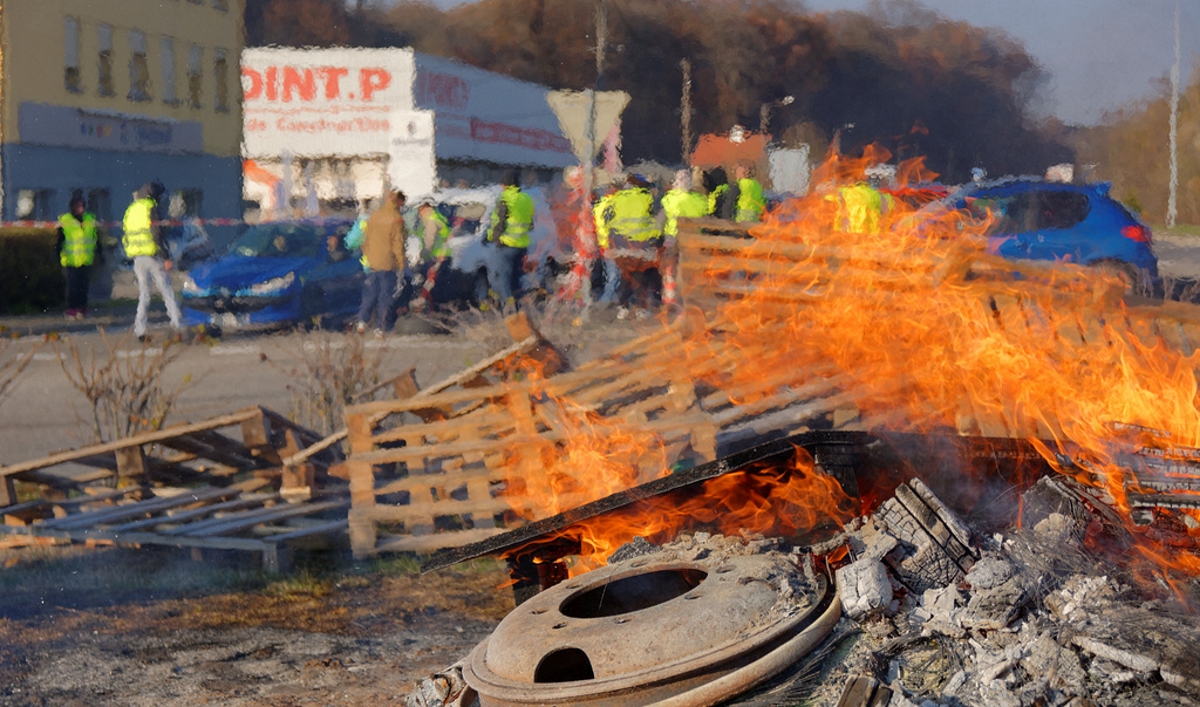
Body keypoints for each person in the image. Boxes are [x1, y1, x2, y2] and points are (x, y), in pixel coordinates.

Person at [122, 181, 182, 340]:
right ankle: (177, 324)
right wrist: (166, 257)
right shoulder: (151, 207)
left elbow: (126, 234)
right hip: (153, 255)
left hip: (137, 258)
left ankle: (139, 328)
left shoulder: (131, 208)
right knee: (166, 290)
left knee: (144, 294)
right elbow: (157, 234)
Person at [602, 174, 663, 316]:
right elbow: (656, 221)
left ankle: (622, 306)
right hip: (640, 243)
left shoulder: (617, 198)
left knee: (626, 274)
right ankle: (640, 308)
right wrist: (656, 239)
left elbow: (606, 218)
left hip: (619, 243)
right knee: (641, 276)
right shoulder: (647, 198)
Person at [355, 189, 408, 335]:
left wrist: (369, 255)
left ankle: (362, 322)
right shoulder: (396, 219)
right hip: (387, 262)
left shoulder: (374, 216)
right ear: (400, 201)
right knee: (385, 295)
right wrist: (401, 264)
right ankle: (381, 326)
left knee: (370, 293)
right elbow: (397, 244)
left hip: (372, 262)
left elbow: (364, 240)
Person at [658, 170, 708, 308]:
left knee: (670, 267)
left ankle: (670, 297)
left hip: (673, 235)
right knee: (689, 268)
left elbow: (664, 216)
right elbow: (705, 212)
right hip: (693, 237)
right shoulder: (700, 199)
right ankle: (687, 298)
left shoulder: (669, 198)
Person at [486, 171, 535, 307]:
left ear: (506, 185)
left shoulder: (505, 198)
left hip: (506, 245)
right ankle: (519, 307)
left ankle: (508, 309)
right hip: (522, 246)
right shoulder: (526, 198)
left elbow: (499, 222)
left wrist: (495, 239)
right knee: (516, 279)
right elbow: (531, 224)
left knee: (501, 279)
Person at [56, 192, 98, 320]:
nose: (81, 209)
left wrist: (99, 253)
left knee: (84, 287)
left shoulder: (89, 219)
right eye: (78, 206)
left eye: (82, 206)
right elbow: (59, 241)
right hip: (71, 261)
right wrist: (57, 257)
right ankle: (71, 310)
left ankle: (82, 309)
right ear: (73, 207)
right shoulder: (65, 221)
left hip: (85, 260)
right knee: (73, 287)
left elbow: (95, 238)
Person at [415, 199, 452, 311]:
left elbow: (430, 239)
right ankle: (439, 308)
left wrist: (425, 251)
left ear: (426, 208)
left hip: (436, 257)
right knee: (439, 284)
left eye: (420, 210)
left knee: (431, 283)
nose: (419, 213)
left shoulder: (431, 220)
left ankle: (429, 308)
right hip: (444, 255)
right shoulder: (438, 217)